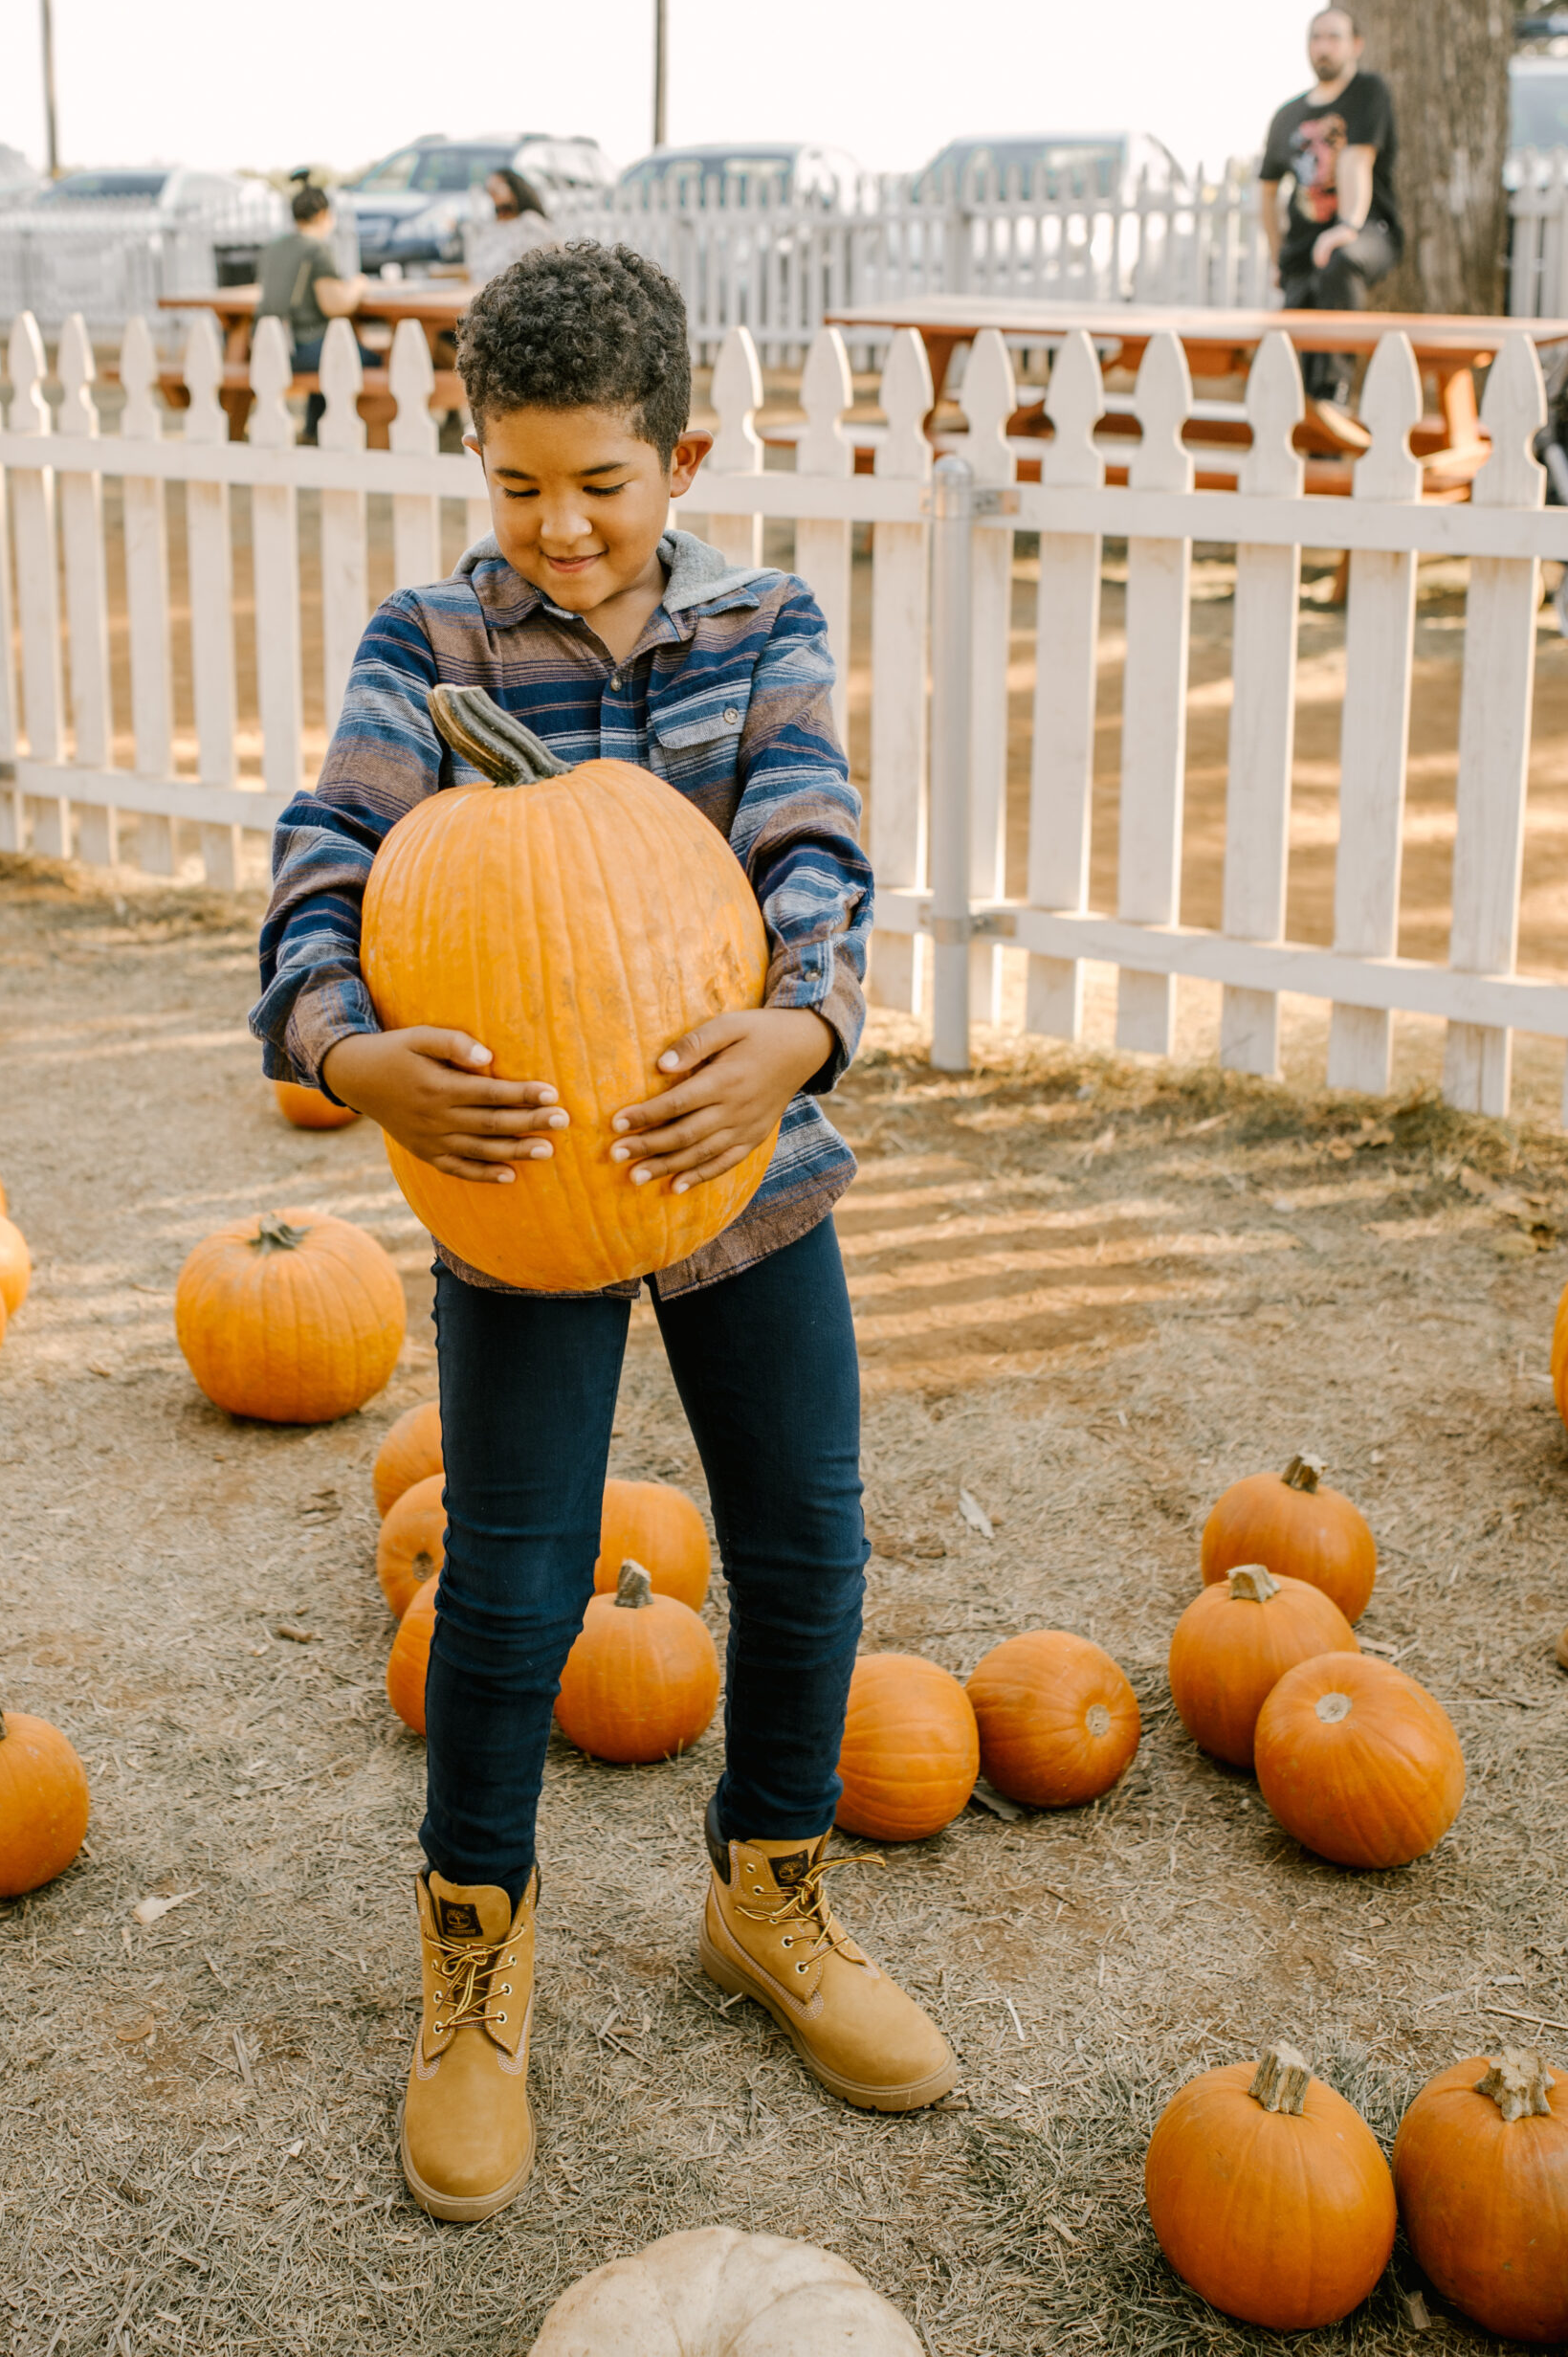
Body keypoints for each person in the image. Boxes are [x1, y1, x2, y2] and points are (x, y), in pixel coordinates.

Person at [252, 241, 959, 2226]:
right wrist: (355, 1056)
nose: (558, 528)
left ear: (684, 456)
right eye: (516, 484)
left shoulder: (759, 623)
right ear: (477, 465)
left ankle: (771, 1894)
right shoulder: (429, 649)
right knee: (505, 1581)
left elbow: (812, 840)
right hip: (516, 1170)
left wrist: (802, 1027)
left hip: (741, 1163)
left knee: (807, 1541)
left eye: (602, 484)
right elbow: (325, 869)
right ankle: (476, 1956)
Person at [1259, 6, 1402, 447]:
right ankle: (1313, 449)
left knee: (1341, 262)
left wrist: (1347, 226)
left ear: (1355, 45)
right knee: (1295, 356)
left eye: (1335, 37)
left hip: (1369, 231)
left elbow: (1358, 159)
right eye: (1317, 37)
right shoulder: (1287, 115)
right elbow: (1266, 192)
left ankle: (1336, 390)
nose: (1324, 46)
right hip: (1305, 246)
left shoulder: (1368, 92)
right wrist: (1277, 256)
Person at [256, 183, 367, 444]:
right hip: (302, 347)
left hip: (268, 344)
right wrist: (359, 285)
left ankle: (312, 430)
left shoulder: (273, 247)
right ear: (322, 214)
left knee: (331, 350)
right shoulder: (316, 250)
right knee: (366, 358)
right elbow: (335, 304)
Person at [462, 165, 558, 286]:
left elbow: (551, 254)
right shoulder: (491, 228)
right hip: (486, 290)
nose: (493, 193)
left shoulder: (530, 221)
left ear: (513, 189)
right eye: (489, 190)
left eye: (497, 187)